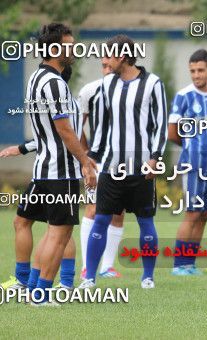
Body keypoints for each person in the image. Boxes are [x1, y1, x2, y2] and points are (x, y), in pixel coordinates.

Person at [79, 34, 168, 289]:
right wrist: (91, 160)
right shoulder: (108, 85)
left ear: (123, 57)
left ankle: (148, 277)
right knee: (101, 219)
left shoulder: (153, 83)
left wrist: (155, 159)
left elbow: (160, 126)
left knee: (145, 222)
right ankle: (89, 277)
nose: (104, 61)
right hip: (111, 167)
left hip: (142, 168)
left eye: (108, 56)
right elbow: (103, 127)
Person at [19, 23, 96, 305]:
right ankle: (41, 295)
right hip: (60, 171)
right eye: (69, 44)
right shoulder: (55, 84)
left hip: (44, 168)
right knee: (60, 234)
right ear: (54, 49)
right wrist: (86, 163)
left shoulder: (36, 78)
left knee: (52, 232)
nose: (74, 49)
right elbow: (64, 130)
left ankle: (32, 289)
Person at [0, 65, 85, 294]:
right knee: (23, 222)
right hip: (43, 172)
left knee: (59, 230)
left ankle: (63, 283)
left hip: (61, 172)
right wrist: (22, 148)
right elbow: (48, 138)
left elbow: (65, 137)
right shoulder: (53, 103)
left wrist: (87, 164)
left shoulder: (69, 106)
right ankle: (25, 282)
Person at [168, 49, 207, 275]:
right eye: (192, 71)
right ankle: (179, 264)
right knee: (192, 212)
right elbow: (172, 133)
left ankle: (190, 262)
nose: (196, 75)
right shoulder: (184, 96)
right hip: (193, 164)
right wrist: (193, 148)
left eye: (200, 70)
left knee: (204, 214)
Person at [77, 57, 124, 279]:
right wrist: (84, 155)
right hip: (98, 160)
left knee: (118, 213)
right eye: (103, 66)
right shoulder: (91, 90)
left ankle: (107, 266)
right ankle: (88, 266)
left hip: (124, 160)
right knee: (93, 209)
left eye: (110, 66)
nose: (107, 70)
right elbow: (77, 125)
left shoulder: (131, 89)